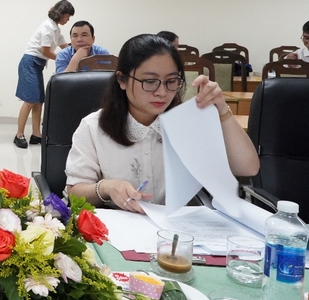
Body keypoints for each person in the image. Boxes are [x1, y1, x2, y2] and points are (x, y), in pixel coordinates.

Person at [65, 34, 259, 213]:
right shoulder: (93, 127)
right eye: (150, 81)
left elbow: (247, 168)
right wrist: (107, 187)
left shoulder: (188, 124)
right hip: (117, 232)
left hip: (179, 234)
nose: (162, 92)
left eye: (171, 81)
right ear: (122, 80)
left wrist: (223, 110)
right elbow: (75, 193)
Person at [14, 0, 74, 148]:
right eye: (67, 16)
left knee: (39, 100)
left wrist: (77, 51)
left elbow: (65, 47)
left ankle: (36, 134)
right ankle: (19, 134)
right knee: (30, 100)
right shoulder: (47, 27)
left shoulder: (56, 30)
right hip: (30, 62)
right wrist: (65, 59)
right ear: (61, 14)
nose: (68, 20)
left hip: (38, 64)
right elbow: (45, 51)